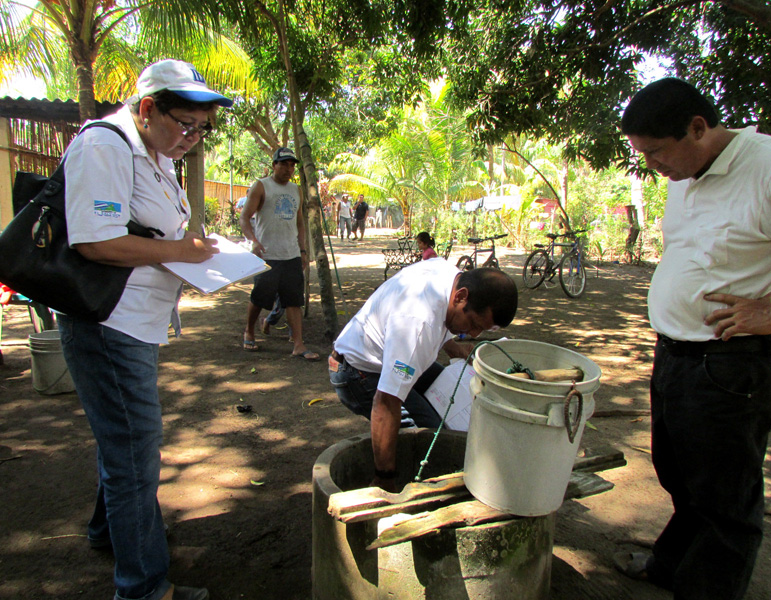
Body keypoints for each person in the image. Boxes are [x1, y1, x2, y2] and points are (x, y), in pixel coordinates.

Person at [59, 59, 229, 600]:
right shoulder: (105, 146)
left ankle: (109, 532)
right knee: (134, 450)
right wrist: (180, 251)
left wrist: (194, 252)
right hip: (109, 326)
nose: (193, 139)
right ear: (148, 108)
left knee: (124, 442)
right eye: (185, 124)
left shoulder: (152, 153)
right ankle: (143, 588)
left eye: (202, 129)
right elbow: (95, 242)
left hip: (136, 324)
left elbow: (155, 233)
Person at [616, 77, 771, 600]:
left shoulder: (767, 166)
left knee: (725, 501)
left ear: (698, 127)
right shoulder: (682, 174)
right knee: (680, 475)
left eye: (657, 152)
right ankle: (670, 567)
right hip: (675, 356)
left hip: (731, 365)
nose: (652, 166)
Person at [329, 262, 518, 490]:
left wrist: (454, 348)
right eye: (474, 324)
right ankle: (393, 482)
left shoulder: (452, 277)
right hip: (359, 373)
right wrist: (384, 477)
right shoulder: (416, 325)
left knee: (456, 401)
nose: (474, 334)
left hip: (390, 354)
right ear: (461, 297)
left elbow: (442, 320)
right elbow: (386, 402)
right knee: (435, 439)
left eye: (483, 330)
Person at [240, 147, 319, 360]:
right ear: (274, 164)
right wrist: (254, 242)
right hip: (267, 255)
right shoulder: (261, 186)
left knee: (294, 300)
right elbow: (244, 217)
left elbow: (300, 223)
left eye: (292, 164)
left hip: (291, 254)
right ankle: (249, 330)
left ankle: (299, 344)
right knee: (260, 297)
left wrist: (302, 250)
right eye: (284, 163)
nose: (288, 168)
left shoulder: (296, 190)